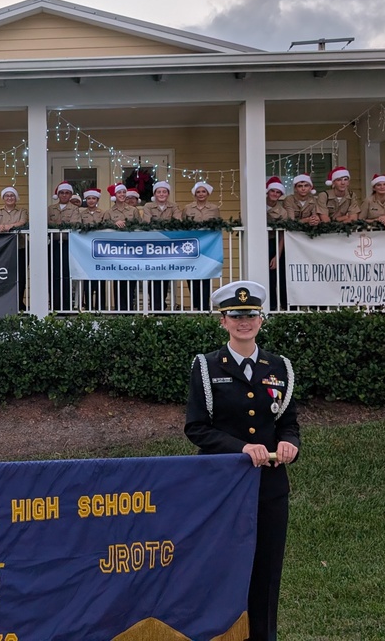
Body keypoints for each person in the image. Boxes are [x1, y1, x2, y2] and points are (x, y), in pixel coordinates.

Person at [185, 281, 300, 641]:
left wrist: (289, 445)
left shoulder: (279, 366)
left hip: (269, 487)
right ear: (223, 321)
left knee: (266, 573)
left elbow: (288, 423)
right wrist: (240, 448)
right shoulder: (206, 366)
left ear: (261, 319)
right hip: (222, 487)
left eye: (250, 315)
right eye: (236, 315)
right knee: (221, 569)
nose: (244, 321)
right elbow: (197, 428)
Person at [182, 180, 221, 311]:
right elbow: (182, 226)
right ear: (194, 194)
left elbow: (217, 227)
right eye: (198, 192)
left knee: (205, 275)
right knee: (192, 275)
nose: (201, 194)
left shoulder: (214, 208)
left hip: (208, 248)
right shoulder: (188, 208)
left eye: (203, 191)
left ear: (208, 193)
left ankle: (204, 306)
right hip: (191, 247)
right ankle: (195, 305)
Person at [143, 181, 179, 311]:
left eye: (164, 191)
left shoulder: (174, 206)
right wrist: (166, 224)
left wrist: (158, 223)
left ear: (168, 193)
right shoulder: (148, 206)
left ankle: (162, 305)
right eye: (159, 192)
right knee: (152, 276)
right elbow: (146, 222)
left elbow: (177, 222)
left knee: (165, 276)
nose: (162, 194)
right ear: (155, 194)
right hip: (152, 246)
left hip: (168, 247)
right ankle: (154, 305)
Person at [0, 186, 29, 311]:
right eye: (7, 196)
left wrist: (9, 226)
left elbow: (22, 221)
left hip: (20, 247)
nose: (9, 198)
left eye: (12, 195)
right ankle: (5, 302)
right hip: (3, 250)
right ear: (3, 198)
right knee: (4, 276)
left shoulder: (22, 211)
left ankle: (19, 302)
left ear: (16, 198)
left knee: (20, 276)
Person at [48, 181, 81, 311]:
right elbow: (46, 222)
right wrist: (60, 224)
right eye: (62, 193)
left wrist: (56, 224)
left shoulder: (74, 209)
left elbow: (74, 224)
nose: (64, 195)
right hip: (53, 244)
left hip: (68, 245)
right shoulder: (51, 209)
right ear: (58, 194)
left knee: (66, 274)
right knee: (53, 274)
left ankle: (66, 306)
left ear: (70, 195)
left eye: (67, 193)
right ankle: (55, 305)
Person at [107, 183, 140, 311]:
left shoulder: (133, 210)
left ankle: (130, 309)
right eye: (119, 193)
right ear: (114, 195)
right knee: (118, 279)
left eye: (123, 192)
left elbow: (140, 225)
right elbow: (103, 224)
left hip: (131, 249)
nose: (122, 195)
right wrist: (114, 223)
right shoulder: (109, 212)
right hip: (116, 250)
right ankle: (119, 309)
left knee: (131, 278)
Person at [78, 188, 107, 310]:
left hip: (100, 249)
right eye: (89, 198)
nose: (91, 201)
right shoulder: (81, 214)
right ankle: (89, 306)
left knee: (100, 278)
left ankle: (100, 307)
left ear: (97, 199)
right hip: (86, 249)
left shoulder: (103, 213)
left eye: (93, 198)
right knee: (87, 278)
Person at [265, 177, 288, 312]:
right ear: (267, 192)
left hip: (273, 243)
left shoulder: (282, 211)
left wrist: (277, 255)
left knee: (275, 277)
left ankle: (275, 306)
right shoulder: (256, 205)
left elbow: (282, 234)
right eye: (272, 191)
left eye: (277, 192)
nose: (274, 194)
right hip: (258, 243)